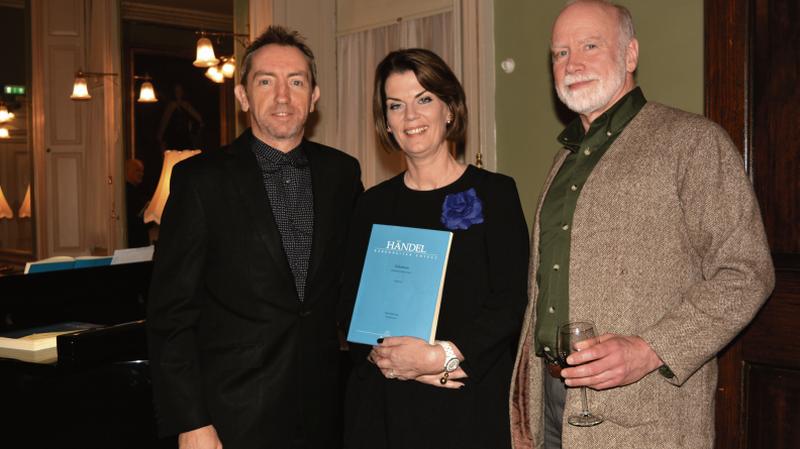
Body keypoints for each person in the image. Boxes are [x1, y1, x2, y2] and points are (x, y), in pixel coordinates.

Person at [510, 1, 774, 448]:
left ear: (630, 55)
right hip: (552, 404)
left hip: (648, 415)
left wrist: (651, 349)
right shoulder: (563, 162)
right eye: (559, 53)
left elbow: (747, 272)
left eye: (589, 46)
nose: (572, 64)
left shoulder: (692, 142)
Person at [147, 25, 363, 449]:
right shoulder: (199, 181)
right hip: (231, 419)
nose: (283, 96)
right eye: (266, 81)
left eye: (296, 82)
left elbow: (352, 286)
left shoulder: (342, 174)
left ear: (314, 96)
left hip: (325, 413)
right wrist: (190, 421)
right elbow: (171, 316)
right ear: (243, 96)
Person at [341, 48, 529, 449]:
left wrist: (438, 359)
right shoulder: (371, 204)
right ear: (386, 123)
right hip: (385, 407)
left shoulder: (496, 194)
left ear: (450, 108)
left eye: (424, 99)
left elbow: (511, 301)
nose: (411, 116)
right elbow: (349, 306)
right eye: (396, 105)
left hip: (467, 403)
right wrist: (388, 362)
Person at [157, 83, 205, 151]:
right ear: (173, 92)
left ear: (182, 92)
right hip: (173, 137)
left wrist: (200, 124)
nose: (178, 93)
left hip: (185, 137)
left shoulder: (186, 105)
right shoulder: (171, 105)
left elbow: (198, 118)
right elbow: (164, 121)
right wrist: (160, 136)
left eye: (179, 91)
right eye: (176, 91)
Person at [124, 158, 150, 247]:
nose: (141, 174)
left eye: (142, 171)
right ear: (126, 171)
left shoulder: (135, 191)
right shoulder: (125, 193)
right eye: (137, 170)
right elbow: (135, 222)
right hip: (133, 244)